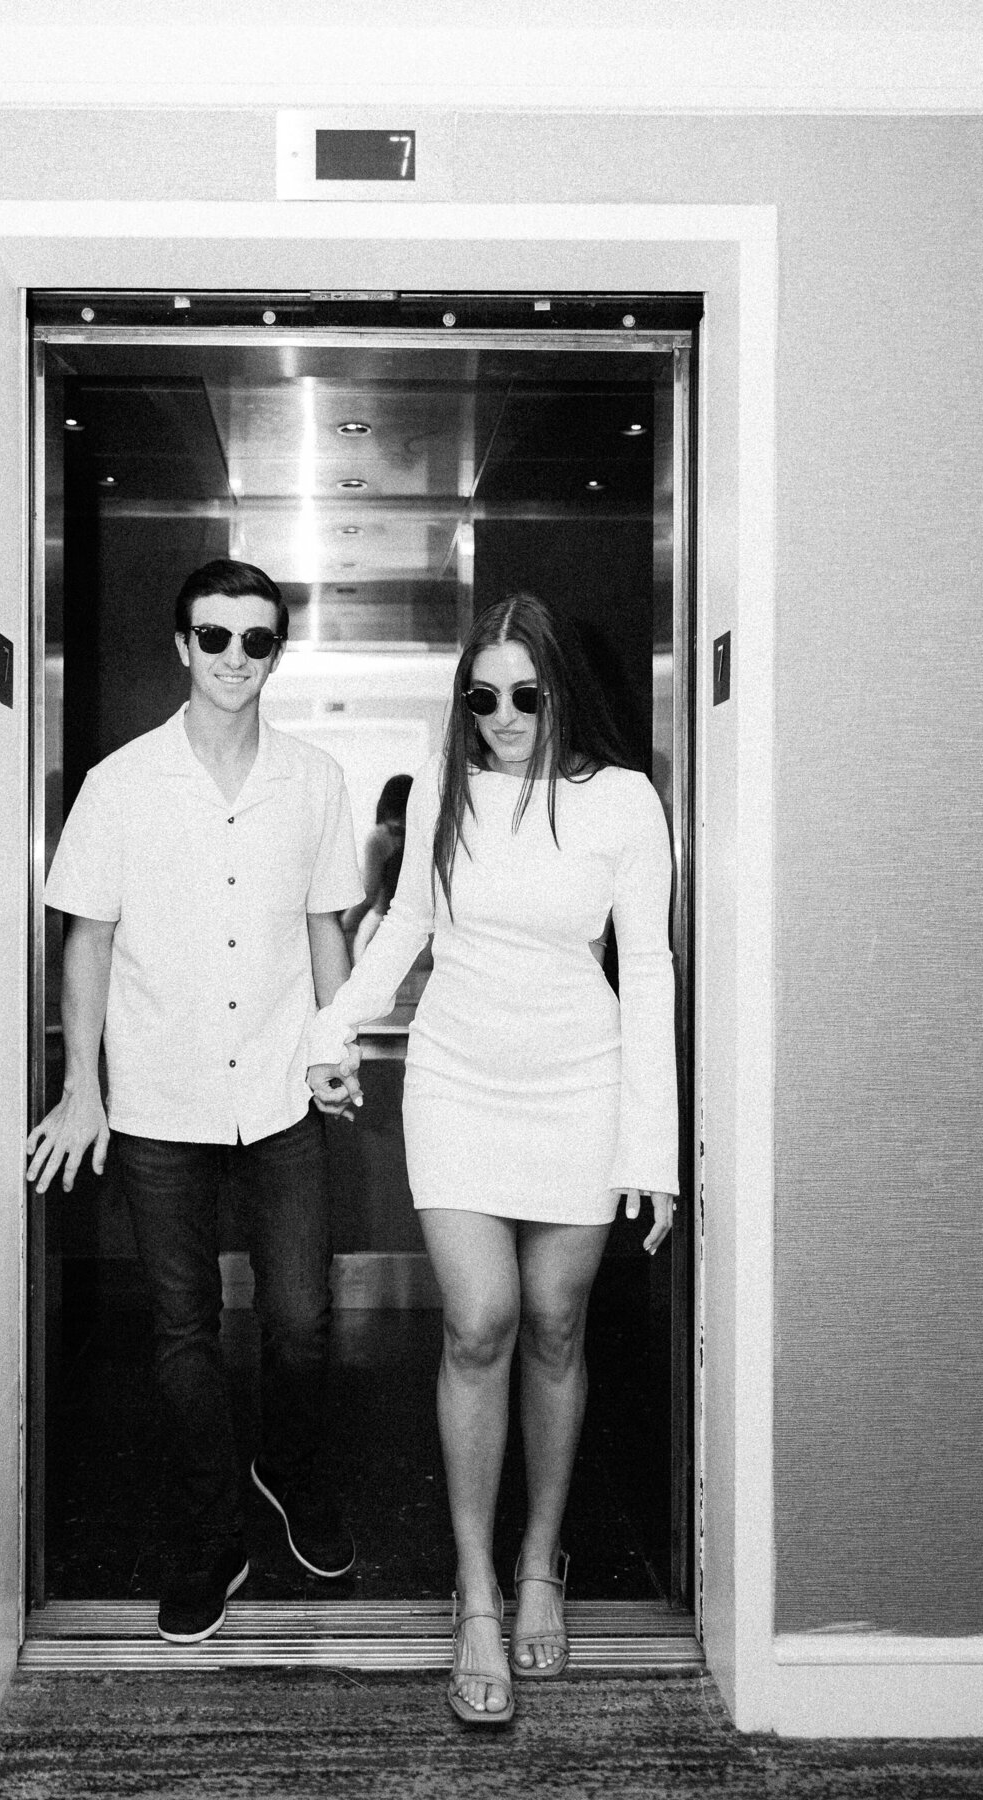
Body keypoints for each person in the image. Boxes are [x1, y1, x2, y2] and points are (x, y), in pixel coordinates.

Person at [306, 593, 678, 1725]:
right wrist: (330, 1029)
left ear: (559, 688)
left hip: (582, 1082)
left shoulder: (621, 802)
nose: (506, 715)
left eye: (527, 692)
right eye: (484, 694)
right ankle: (473, 1587)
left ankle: (539, 1562)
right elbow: (406, 926)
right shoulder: (442, 797)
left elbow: (648, 969)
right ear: (462, 699)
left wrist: (650, 1148)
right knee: (481, 1321)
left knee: (557, 1324)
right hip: (460, 1079)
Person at [26, 558, 364, 1647]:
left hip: (278, 1094)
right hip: (160, 1101)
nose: (233, 659)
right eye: (213, 638)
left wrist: (333, 1039)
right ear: (182, 646)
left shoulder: (313, 780)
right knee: (183, 1333)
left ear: (276, 652)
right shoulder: (121, 783)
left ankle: (292, 1470)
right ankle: (211, 1534)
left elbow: (327, 927)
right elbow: (89, 937)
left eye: (256, 641)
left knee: (305, 1326)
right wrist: (83, 1088)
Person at [340, 771, 413, 946]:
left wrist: (344, 925)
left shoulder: (380, 837)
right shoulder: (423, 835)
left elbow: (369, 892)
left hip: (386, 923)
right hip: (423, 929)